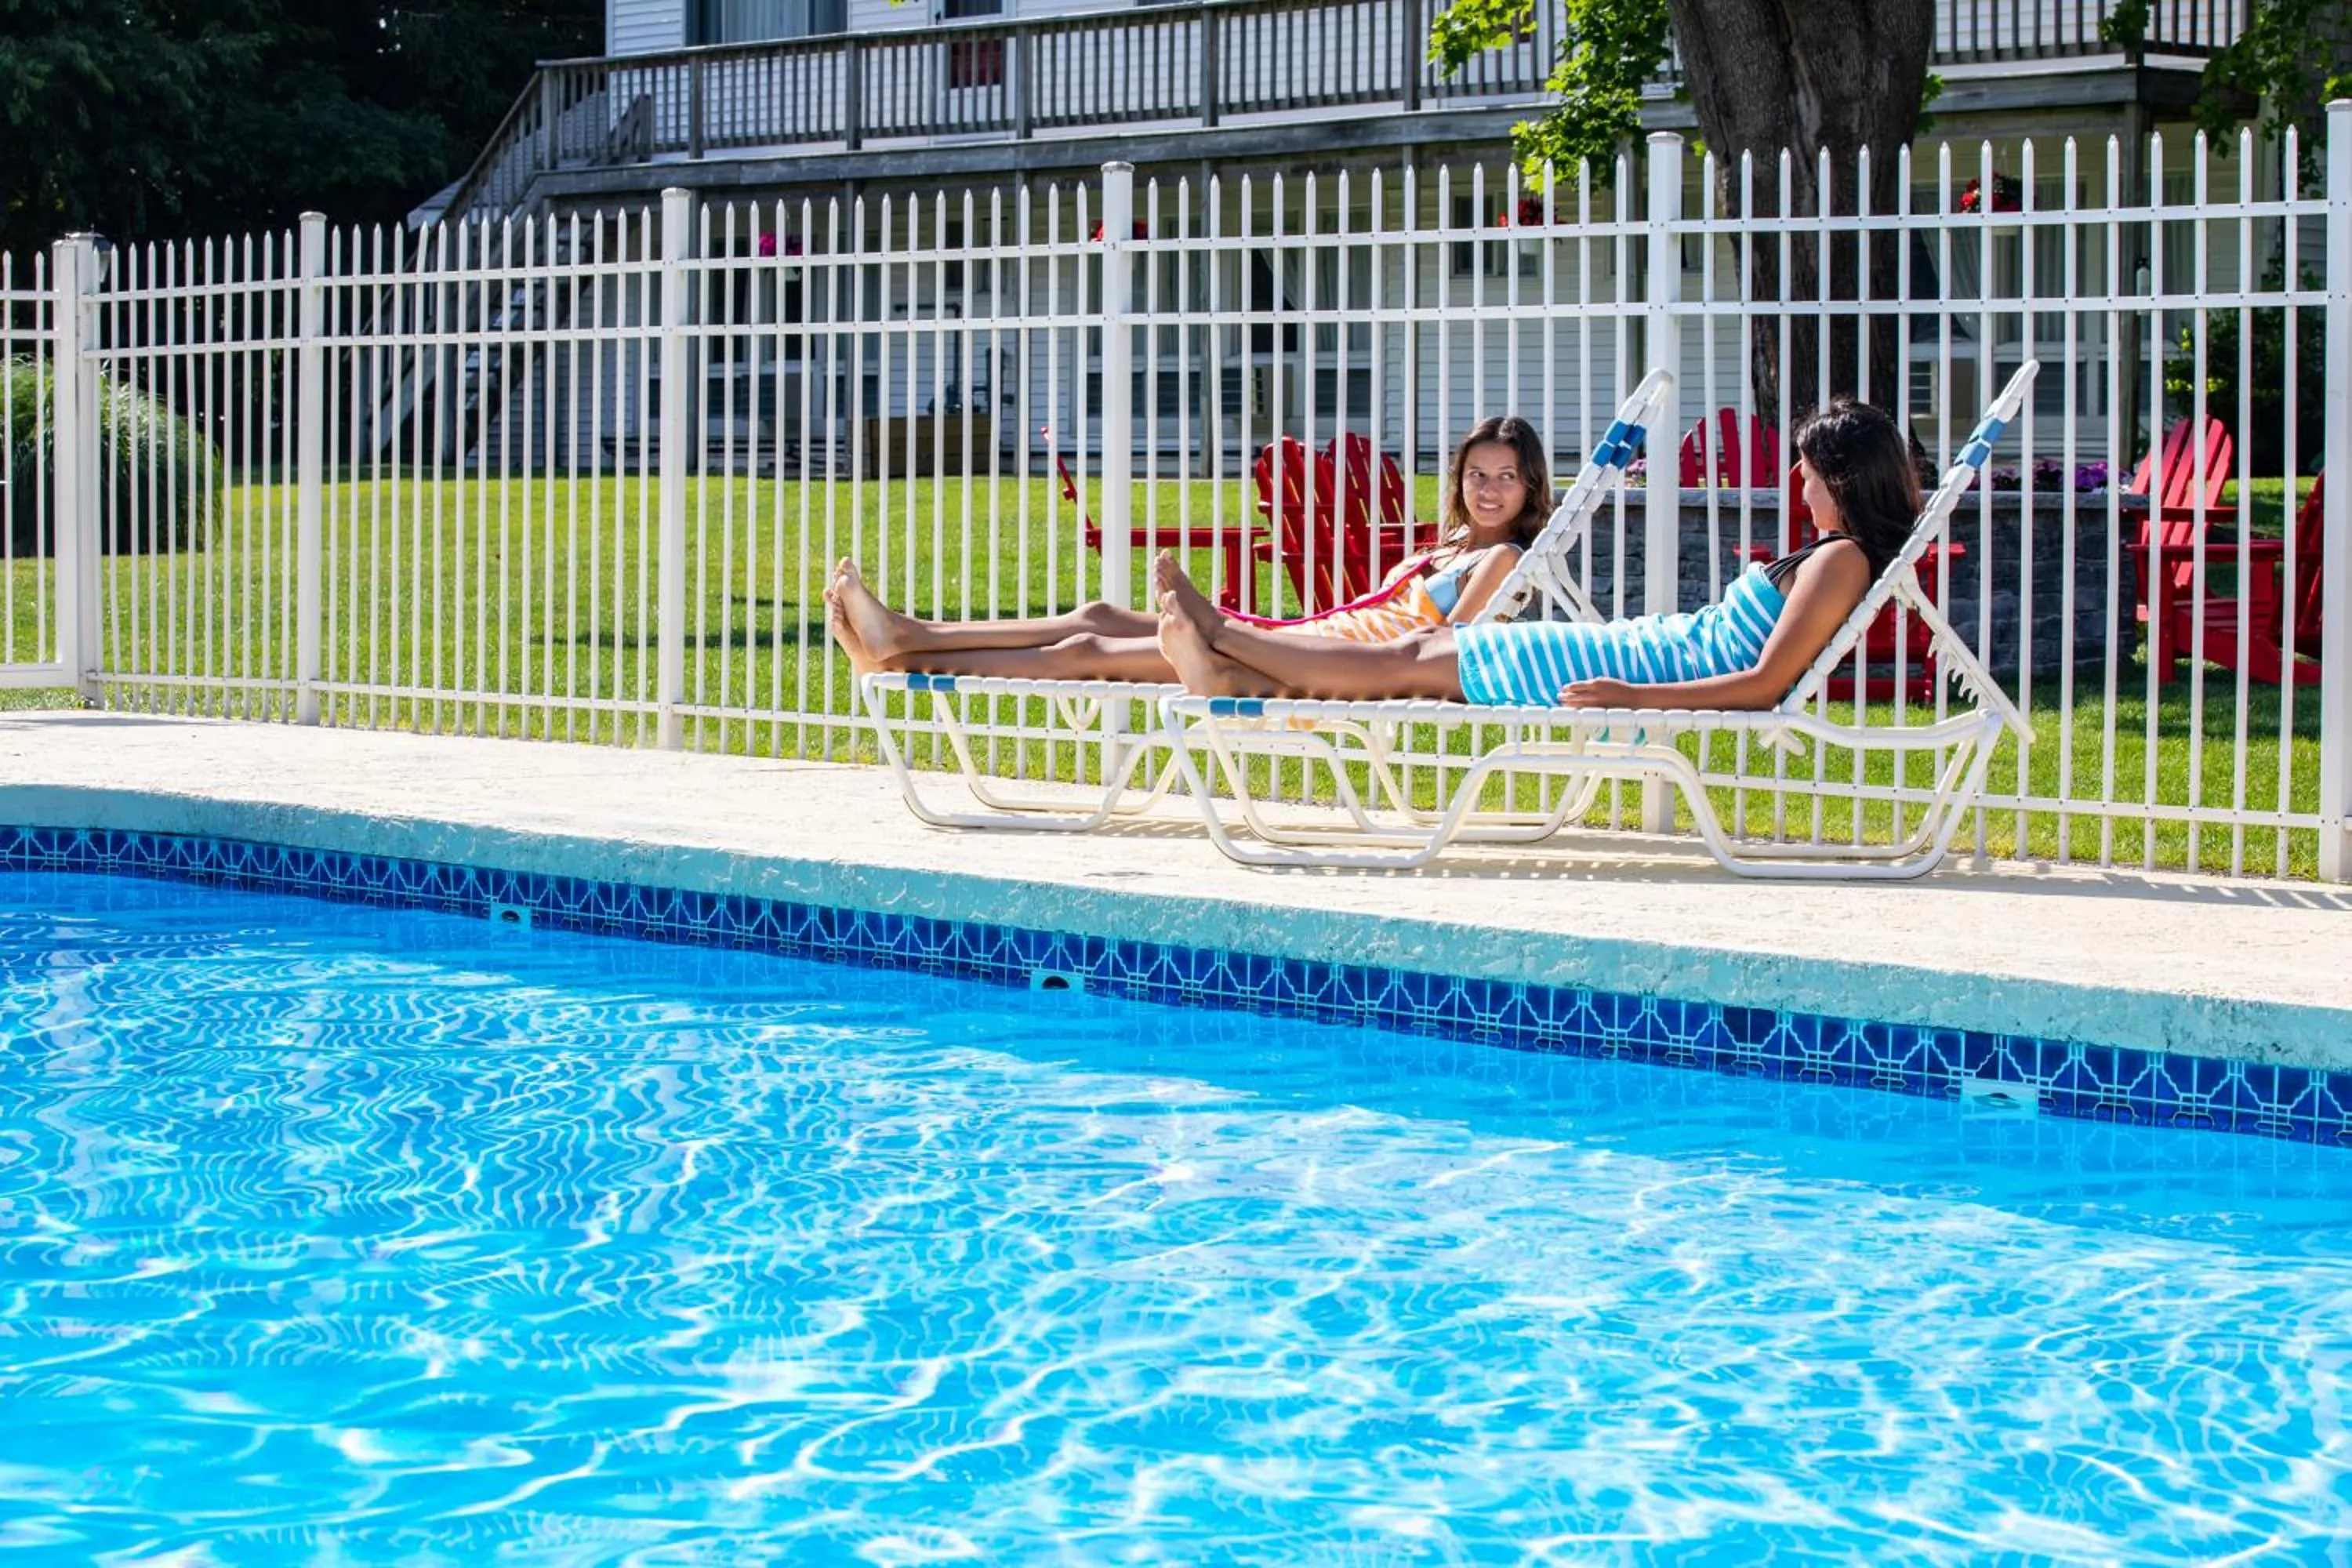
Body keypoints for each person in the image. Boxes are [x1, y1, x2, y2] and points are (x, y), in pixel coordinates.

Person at [1151, 397, 1916, 711]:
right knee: (1422, 651)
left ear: (1843, 479)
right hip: (1641, 649)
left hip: (1644, 668)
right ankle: (1228, 670)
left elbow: (1764, 682)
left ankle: (1229, 639)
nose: (1795, 480)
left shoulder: (1840, 559)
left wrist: (1631, 696)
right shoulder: (1830, 554)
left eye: (1808, 471)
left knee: (1413, 660)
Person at [825, 416, 1555, 682]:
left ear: (1530, 489)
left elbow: (1444, 649)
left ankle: (904, 646)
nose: (1490, 490)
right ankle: (907, 639)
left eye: (1507, 478)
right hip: (1305, 636)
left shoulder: (1499, 561)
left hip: (1312, 656)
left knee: (1083, 651)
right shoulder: (1448, 547)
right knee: (1100, 611)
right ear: (1459, 478)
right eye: (1477, 474)